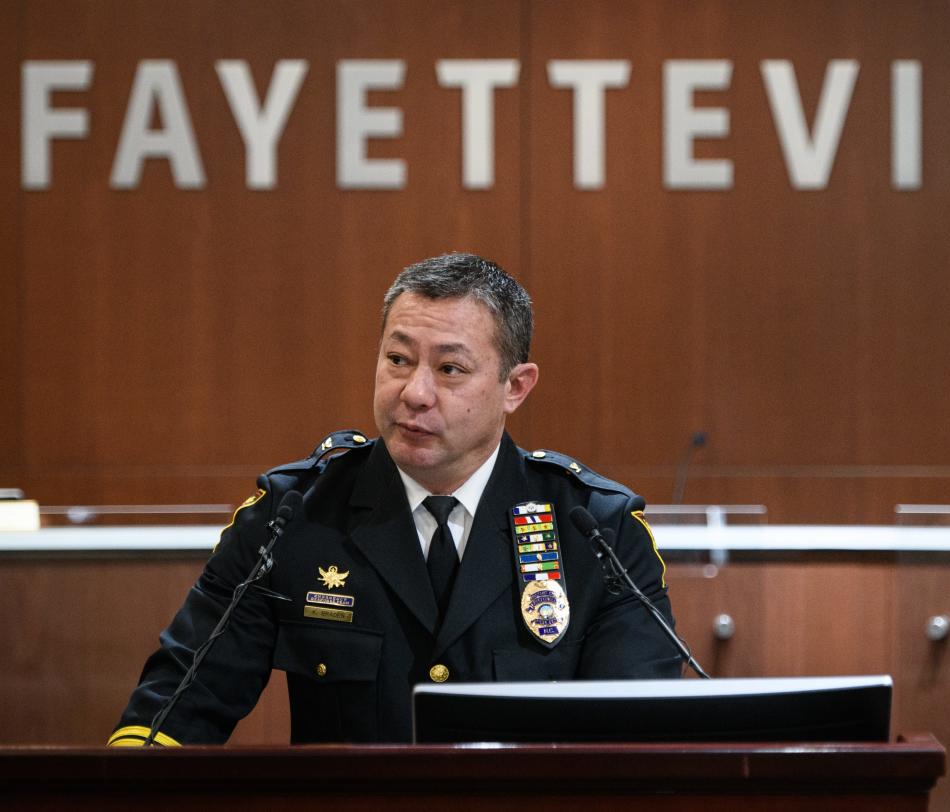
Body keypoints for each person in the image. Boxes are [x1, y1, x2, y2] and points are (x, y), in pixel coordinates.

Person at [109, 252, 681, 745]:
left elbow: (636, 746)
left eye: (450, 369)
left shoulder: (596, 532)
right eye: (398, 360)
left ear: (515, 387)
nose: (415, 393)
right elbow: (174, 711)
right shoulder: (292, 516)